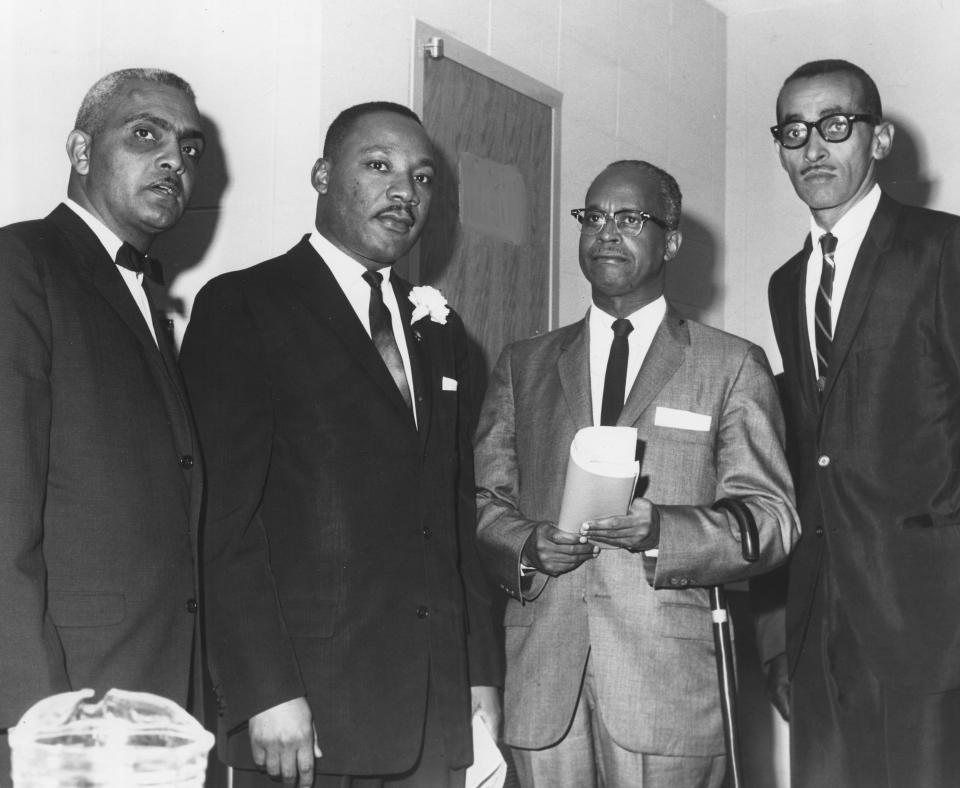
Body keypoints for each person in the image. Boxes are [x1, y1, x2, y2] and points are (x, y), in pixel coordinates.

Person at [179, 101, 500, 788]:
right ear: (323, 175)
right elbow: (222, 523)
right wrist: (264, 690)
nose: (402, 192)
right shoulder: (244, 305)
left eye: (421, 178)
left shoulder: (439, 332)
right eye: (378, 166)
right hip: (304, 715)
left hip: (430, 711)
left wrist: (478, 675)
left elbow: (450, 517)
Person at [474, 159, 799, 788]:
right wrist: (526, 545)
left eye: (629, 218)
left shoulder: (730, 365)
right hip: (544, 684)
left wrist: (661, 533)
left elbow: (772, 520)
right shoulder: (525, 365)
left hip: (667, 689)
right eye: (593, 217)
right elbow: (487, 502)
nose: (606, 232)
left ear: (672, 240)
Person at [0, 68, 206, 781]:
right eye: (145, 134)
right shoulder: (20, 263)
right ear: (81, 152)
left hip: (153, 701)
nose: (174, 159)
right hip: (67, 708)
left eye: (189, 146)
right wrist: (39, 719)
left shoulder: (147, 296)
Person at [765, 58, 960, 787]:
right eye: (794, 131)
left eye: (835, 126)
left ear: (877, 140)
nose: (813, 147)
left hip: (934, 617)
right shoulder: (788, 283)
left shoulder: (942, 249)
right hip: (823, 621)